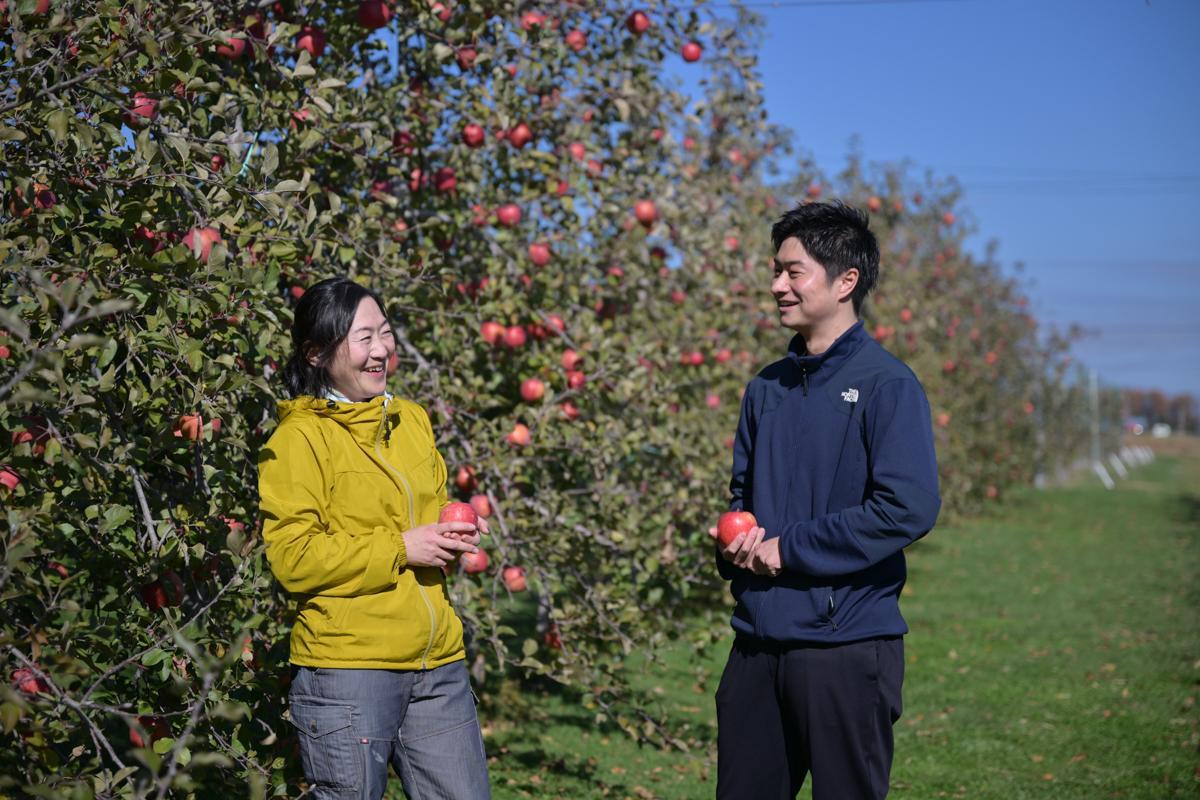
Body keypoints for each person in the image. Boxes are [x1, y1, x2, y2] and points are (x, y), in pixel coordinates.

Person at [709, 201, 941, 799]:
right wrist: (735, 544)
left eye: (793, 271)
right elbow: (743, 496)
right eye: (776, 271)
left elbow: (906, 507)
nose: (776, 285)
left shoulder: (888, 386)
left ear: (845, 281)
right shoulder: (766, 387)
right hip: (758, 644)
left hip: (846, 647)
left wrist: (791, 550)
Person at [258, 276, 491, 799]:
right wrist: (401, 547)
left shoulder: (412, 420)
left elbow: (424, 514)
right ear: (316, 353)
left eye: (384, 333)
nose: (381, 349)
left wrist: (455, 529)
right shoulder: (298, 439)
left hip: (437, 662)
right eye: (363, 338)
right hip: (349, 671)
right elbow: (294, 558)